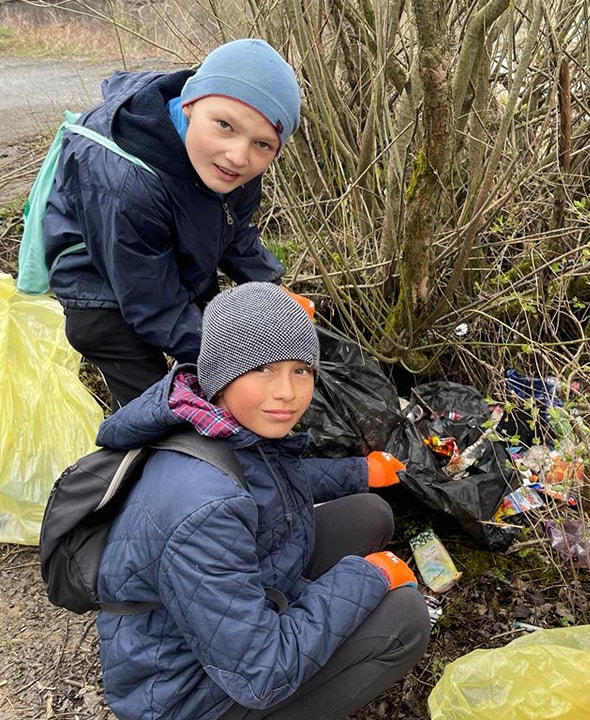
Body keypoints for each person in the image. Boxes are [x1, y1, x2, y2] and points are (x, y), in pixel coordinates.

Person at [92, 281, 430, 720]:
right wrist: (366, 577)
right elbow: (261, 673)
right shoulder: (203, 503)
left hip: (215, 622)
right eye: (264, 369)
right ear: (222, 372)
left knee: (369, 512)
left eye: (301, 370)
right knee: (406, 619)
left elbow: (278, 479)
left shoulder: (212, 420)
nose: (287, 392)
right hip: (183, 694)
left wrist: (360, 471)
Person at [43, 38, 312, 409]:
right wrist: (235, 355)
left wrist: (272, 288)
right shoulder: (126, 184)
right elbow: (152, 303)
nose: (238, 155)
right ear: (189, 104)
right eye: (224, 126)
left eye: (263, 145)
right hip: (102, 296)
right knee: (156, 410)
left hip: (173, 261)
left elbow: (234, 230)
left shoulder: (232, 165)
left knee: (215, 374)